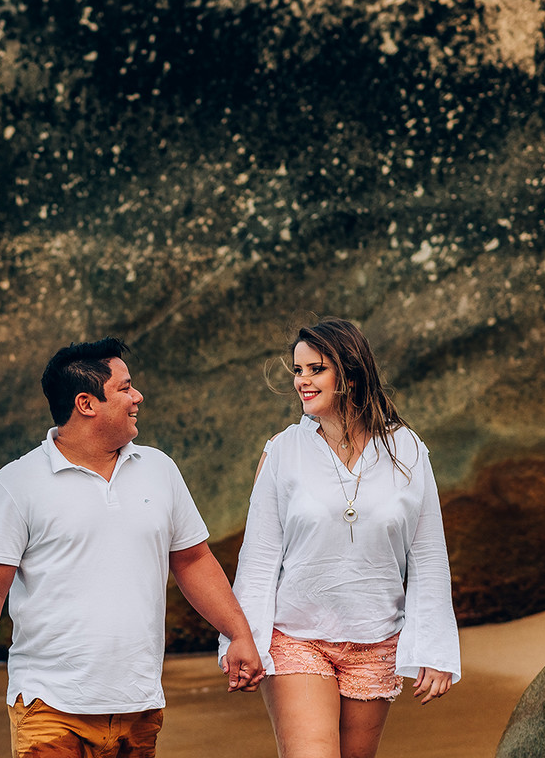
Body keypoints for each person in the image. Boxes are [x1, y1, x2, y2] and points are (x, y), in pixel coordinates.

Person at [0, 337, 264, 757]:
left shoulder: (159, 470)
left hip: (139, 702)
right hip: (49, 704)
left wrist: (238, 633)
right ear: (86, 403)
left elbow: (194, 561)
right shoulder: (15, 485)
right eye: (125, 388)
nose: (137, 396)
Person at [220, 317, 461, 758]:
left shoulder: (407, 449)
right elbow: (258, 557)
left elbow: (427, 555)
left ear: (349, 373)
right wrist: (242, 637)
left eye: (316, 369)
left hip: (377, 639)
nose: (303, 381)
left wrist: (436, 647)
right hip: (296, 637)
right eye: (298, 371)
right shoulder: (282, 451)